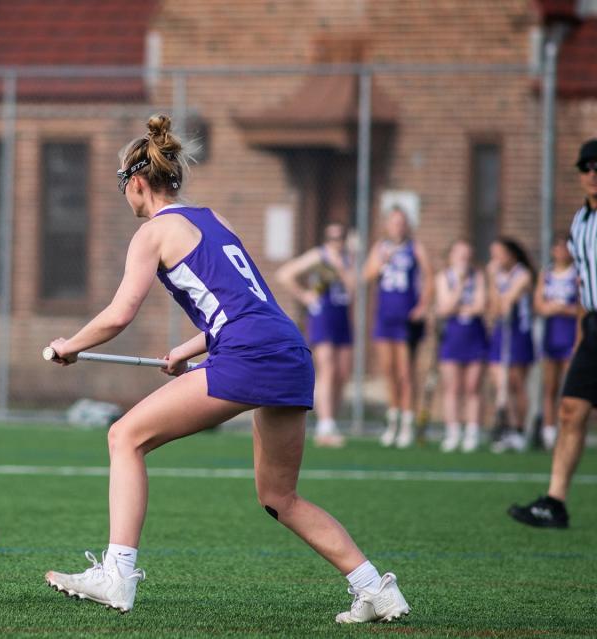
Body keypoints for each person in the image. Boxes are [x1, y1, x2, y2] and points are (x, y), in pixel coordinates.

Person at [43, 114, 409, 622]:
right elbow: (243, 303)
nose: (124, 197)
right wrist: (188, 349)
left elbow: (119, 314)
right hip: (287, 350)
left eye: (122, 187)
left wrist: (71, 346)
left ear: (138, 182)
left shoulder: (152, 233)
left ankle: (117, 574)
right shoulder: (215, 219)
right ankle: (376, 589)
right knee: (279, 495)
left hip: (248, 353)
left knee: (125, 437)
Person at [509, 138, 597, 528]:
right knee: (570, 409)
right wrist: (583, 329)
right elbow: (584, 284)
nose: (593, 174)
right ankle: (555, 501)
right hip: (593, 324)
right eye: (586, 168)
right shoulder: (580, 223)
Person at [276, 223, 355, 447]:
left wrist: (340, 268)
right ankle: (325, 425)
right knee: (327, 368)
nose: (336, 242)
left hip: (342, 318)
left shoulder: (348, 260)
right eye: (332, 238)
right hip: (323, 316)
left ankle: (331, 421)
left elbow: (353, 289)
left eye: (340, 237)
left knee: (342, 372)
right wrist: (305, 296)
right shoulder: (318, 256)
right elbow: (285, 274)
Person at [363, 206, 433, 448]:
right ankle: (392, 420)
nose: (398, 227)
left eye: (401, 222)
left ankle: (407, 422)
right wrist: (382, 262)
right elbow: (367, 275)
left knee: (405, 373)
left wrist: (423, 305)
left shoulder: (415, 248)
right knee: (389, 371)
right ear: (387, 225)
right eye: (394, 222)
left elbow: (429, 277)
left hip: (406, 317)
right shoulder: (380, 248)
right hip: (385, 316)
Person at [434, 240, 488, 452]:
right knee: (452, 386)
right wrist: (460, 286)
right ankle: (453, 432)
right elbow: (445, 308)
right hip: (452, 336)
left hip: (474, 335)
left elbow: (480, 306)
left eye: (467, 254)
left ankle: (472, 431)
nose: (464, 259)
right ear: (452, 256)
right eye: (459, 254)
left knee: (473, 386)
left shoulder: (479, 276)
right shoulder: (444, 277)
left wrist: (462, 307)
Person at [486, 238, 536, 453]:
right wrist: (492, 280)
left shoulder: (522, 275)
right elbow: (495, 308)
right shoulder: (496, 277)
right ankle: (505, 428)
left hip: (518, 333)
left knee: (516, 383)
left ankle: (520, 429)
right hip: (501, 332)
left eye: (499, 254)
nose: (495, 259)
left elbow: (506, 304)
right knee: (500, 382)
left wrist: (494, 281)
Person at [534, 233, 579, 450]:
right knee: (549, 386)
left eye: (565, 246)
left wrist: (567, 309)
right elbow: (538, 304)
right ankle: (549, 431)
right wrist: (549, 308)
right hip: (551, 335)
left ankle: (568, 430)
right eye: (558, 246)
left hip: (571, 335)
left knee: (570, 389)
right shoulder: (547, 273)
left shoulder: (578, 273)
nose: (561, 251)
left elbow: (584, 305)